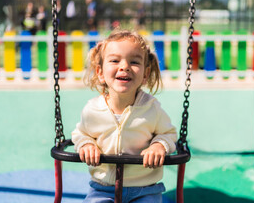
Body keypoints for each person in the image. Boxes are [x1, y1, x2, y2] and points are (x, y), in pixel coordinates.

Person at [72, 29, 177, 203]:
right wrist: (87, 144)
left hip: (146, 189)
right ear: (100, 72)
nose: (124, 66)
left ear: (145, 74)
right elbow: (80, 134)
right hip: (103, 188)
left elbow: (169, 134)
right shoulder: (92, 109)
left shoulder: (152, 108)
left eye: (134, 62)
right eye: (114, 60)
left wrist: (158, 146)